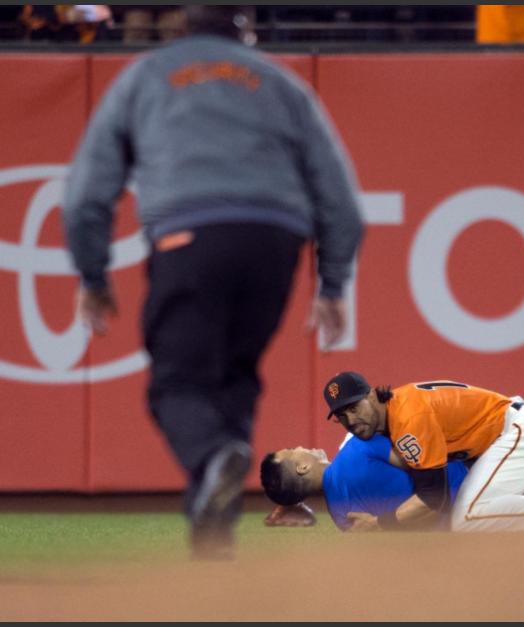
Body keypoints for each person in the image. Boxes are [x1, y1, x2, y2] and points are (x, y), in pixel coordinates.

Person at [62, 5, 365, 559]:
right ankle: (214, 532)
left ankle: (213, 458)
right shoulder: (282, 84)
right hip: (275, 243)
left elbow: (86, 194)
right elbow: (340, 199)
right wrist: (333, 284)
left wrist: (92, 273)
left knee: (177, 384)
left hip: (188, 235)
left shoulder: (144, 77)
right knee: (234, 378)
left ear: (179, 29)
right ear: (246, 34)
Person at [320, 372, 524, 533]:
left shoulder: (408, 419)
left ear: (371, 395)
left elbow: (434, 497)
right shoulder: (398, 412)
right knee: (476, 515)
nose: (350, 420)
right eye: (341, 416)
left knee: (468, 518)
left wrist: (379, 523)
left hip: (522, 433)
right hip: (510, 433)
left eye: (354, 408)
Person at [260, 434, 468, 531]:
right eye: (291, 450)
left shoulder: (343, 519)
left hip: (455, 535)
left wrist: (291, 498)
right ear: (302, 468)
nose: (298, 445)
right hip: (473, 483)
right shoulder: (358, 447)